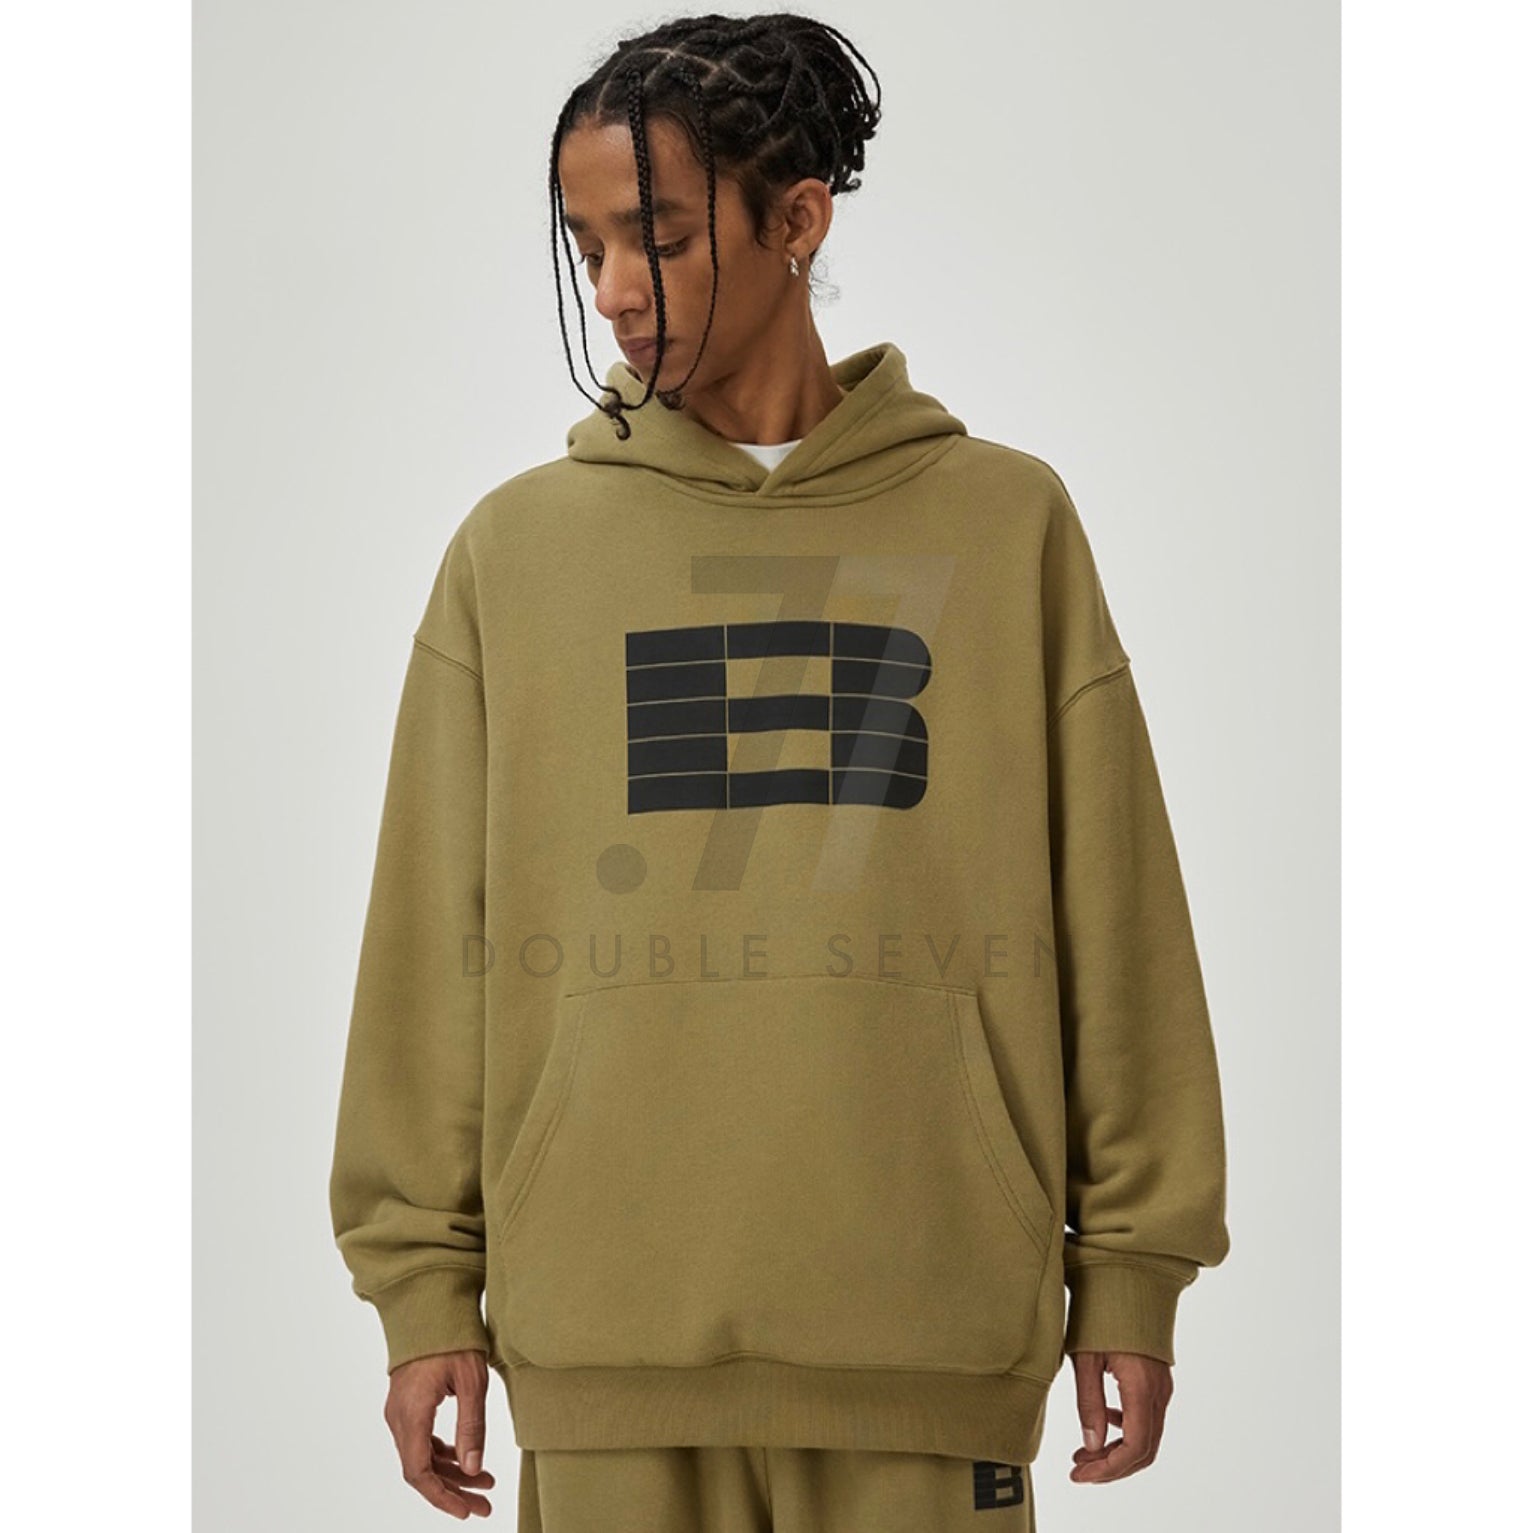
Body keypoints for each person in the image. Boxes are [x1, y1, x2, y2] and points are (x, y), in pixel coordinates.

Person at [328, 12, 1231, 1529]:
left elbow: (1117, 912)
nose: (615, 290)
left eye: (660, 238)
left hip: (929, 1339)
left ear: (797, 221)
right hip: (608, 1345)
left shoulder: (1003, 525)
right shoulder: (517, 552)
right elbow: (431, 939)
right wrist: (422, 1289)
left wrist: (1132, 1266)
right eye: (588, 246)